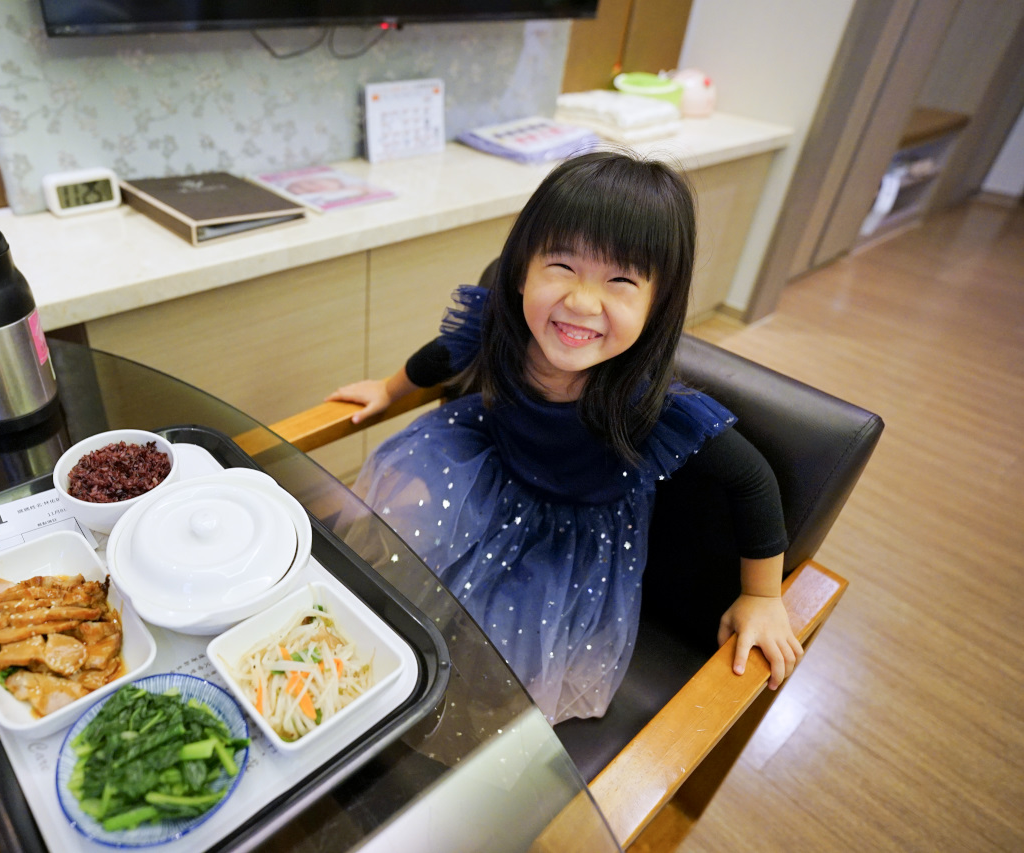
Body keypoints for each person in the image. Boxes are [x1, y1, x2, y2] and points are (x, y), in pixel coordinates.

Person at [326, 151, 804, 723]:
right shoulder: (501, 328)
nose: (581, 301)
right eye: (562, 266)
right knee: (383, 570)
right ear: (522, 267)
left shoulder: (648, 407)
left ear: (659, 303)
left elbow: (752, 479)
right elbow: (443, 354)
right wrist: (388, 388)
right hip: (483, 471)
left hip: (568, 543)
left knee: (495, 673)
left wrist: (762, 596)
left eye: (621, 280)